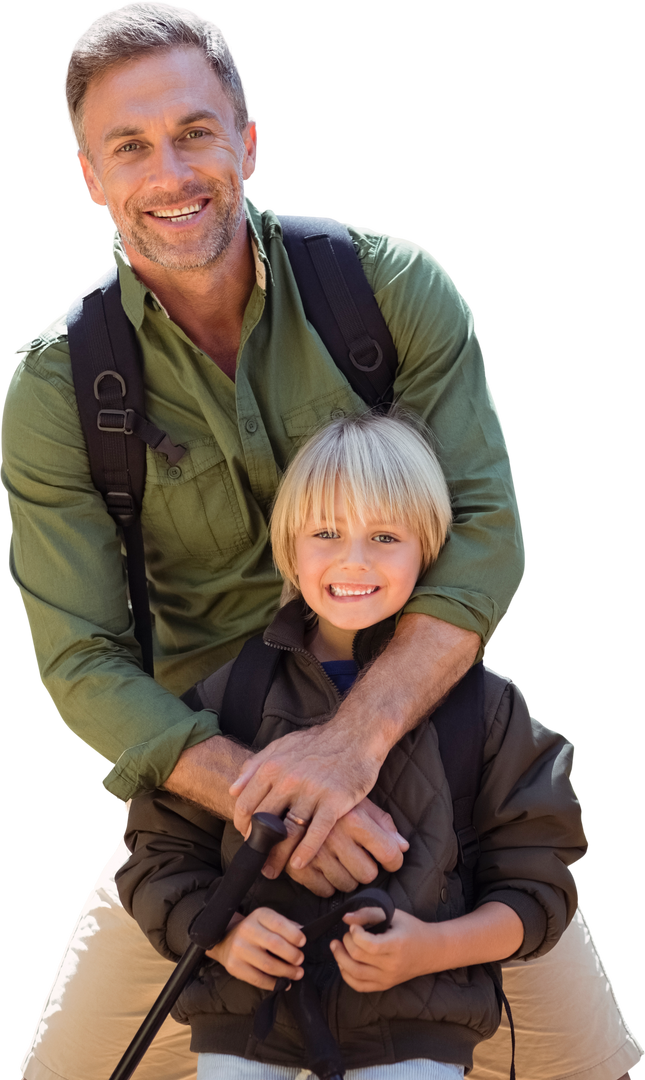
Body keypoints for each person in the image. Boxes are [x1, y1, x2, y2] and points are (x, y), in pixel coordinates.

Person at [1, 3, 640, 1079]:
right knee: (65, 1071)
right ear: (89, 178)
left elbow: (488, 537)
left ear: (247, 141)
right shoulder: (56, 386)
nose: (172, 171)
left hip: (438, 759)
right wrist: (273, 794)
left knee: (589, 1063)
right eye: (131, 146)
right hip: (209, 803)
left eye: (197, 131)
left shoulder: (392, 290)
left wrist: (353, 747)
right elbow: (80, 663)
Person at [115, 409, 589, 1079]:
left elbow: (538, 877)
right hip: (245, 1021)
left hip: (414, 1028)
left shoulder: (485, 704)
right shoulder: (227, 693)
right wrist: (222, 936)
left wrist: (431, 950)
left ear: (428, 547)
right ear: (290, 546)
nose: (353, 560)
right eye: (326, 533)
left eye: (385, 535)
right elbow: (159, 857)